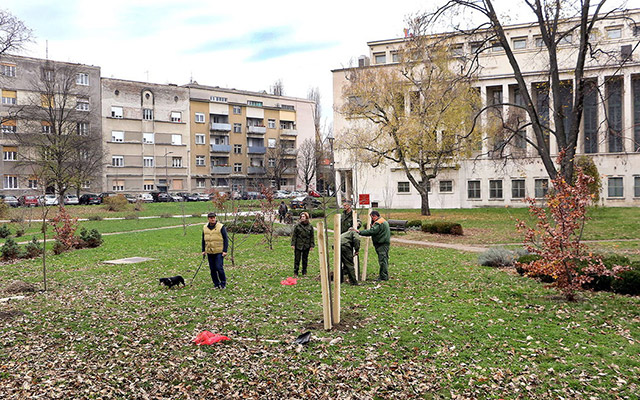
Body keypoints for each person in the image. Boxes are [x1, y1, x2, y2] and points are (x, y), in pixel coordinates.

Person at [355, 210, 390, 281]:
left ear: (375, 216)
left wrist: (360, 232)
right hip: (384, 243)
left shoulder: (378, 223)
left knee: (383, 260)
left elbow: (372, 231)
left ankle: (384, 277)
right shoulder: (383, 220)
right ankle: (383, 275)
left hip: (381, 244)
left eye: (372, 217)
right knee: (384, 259)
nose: (372, 219)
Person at [201, 212, 229, 289]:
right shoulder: (205, 227)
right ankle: (216, 284)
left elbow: (225, 239)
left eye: (214, 217)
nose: (213, 219)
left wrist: (225, 250)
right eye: (211, 218)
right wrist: (203, 250)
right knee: (212, 269)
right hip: (209, 251)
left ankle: (223, 283)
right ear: (208, 219)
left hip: (219, 251)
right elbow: (203, 240)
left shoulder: (221, 227)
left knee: (219, 267)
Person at [290, 211, 314, 277]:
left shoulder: (310, 226)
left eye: (304, 216)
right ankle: (296, 272)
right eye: (301, 217)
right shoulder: (297, 226)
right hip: (298, 244)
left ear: (306, 217)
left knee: (305, 259)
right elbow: (294, 235)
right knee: (297, 259)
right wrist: (293, 244)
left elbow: (312, 236)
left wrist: (312, 245)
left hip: (306, 244)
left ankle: (304, 271)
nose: (302, 218)